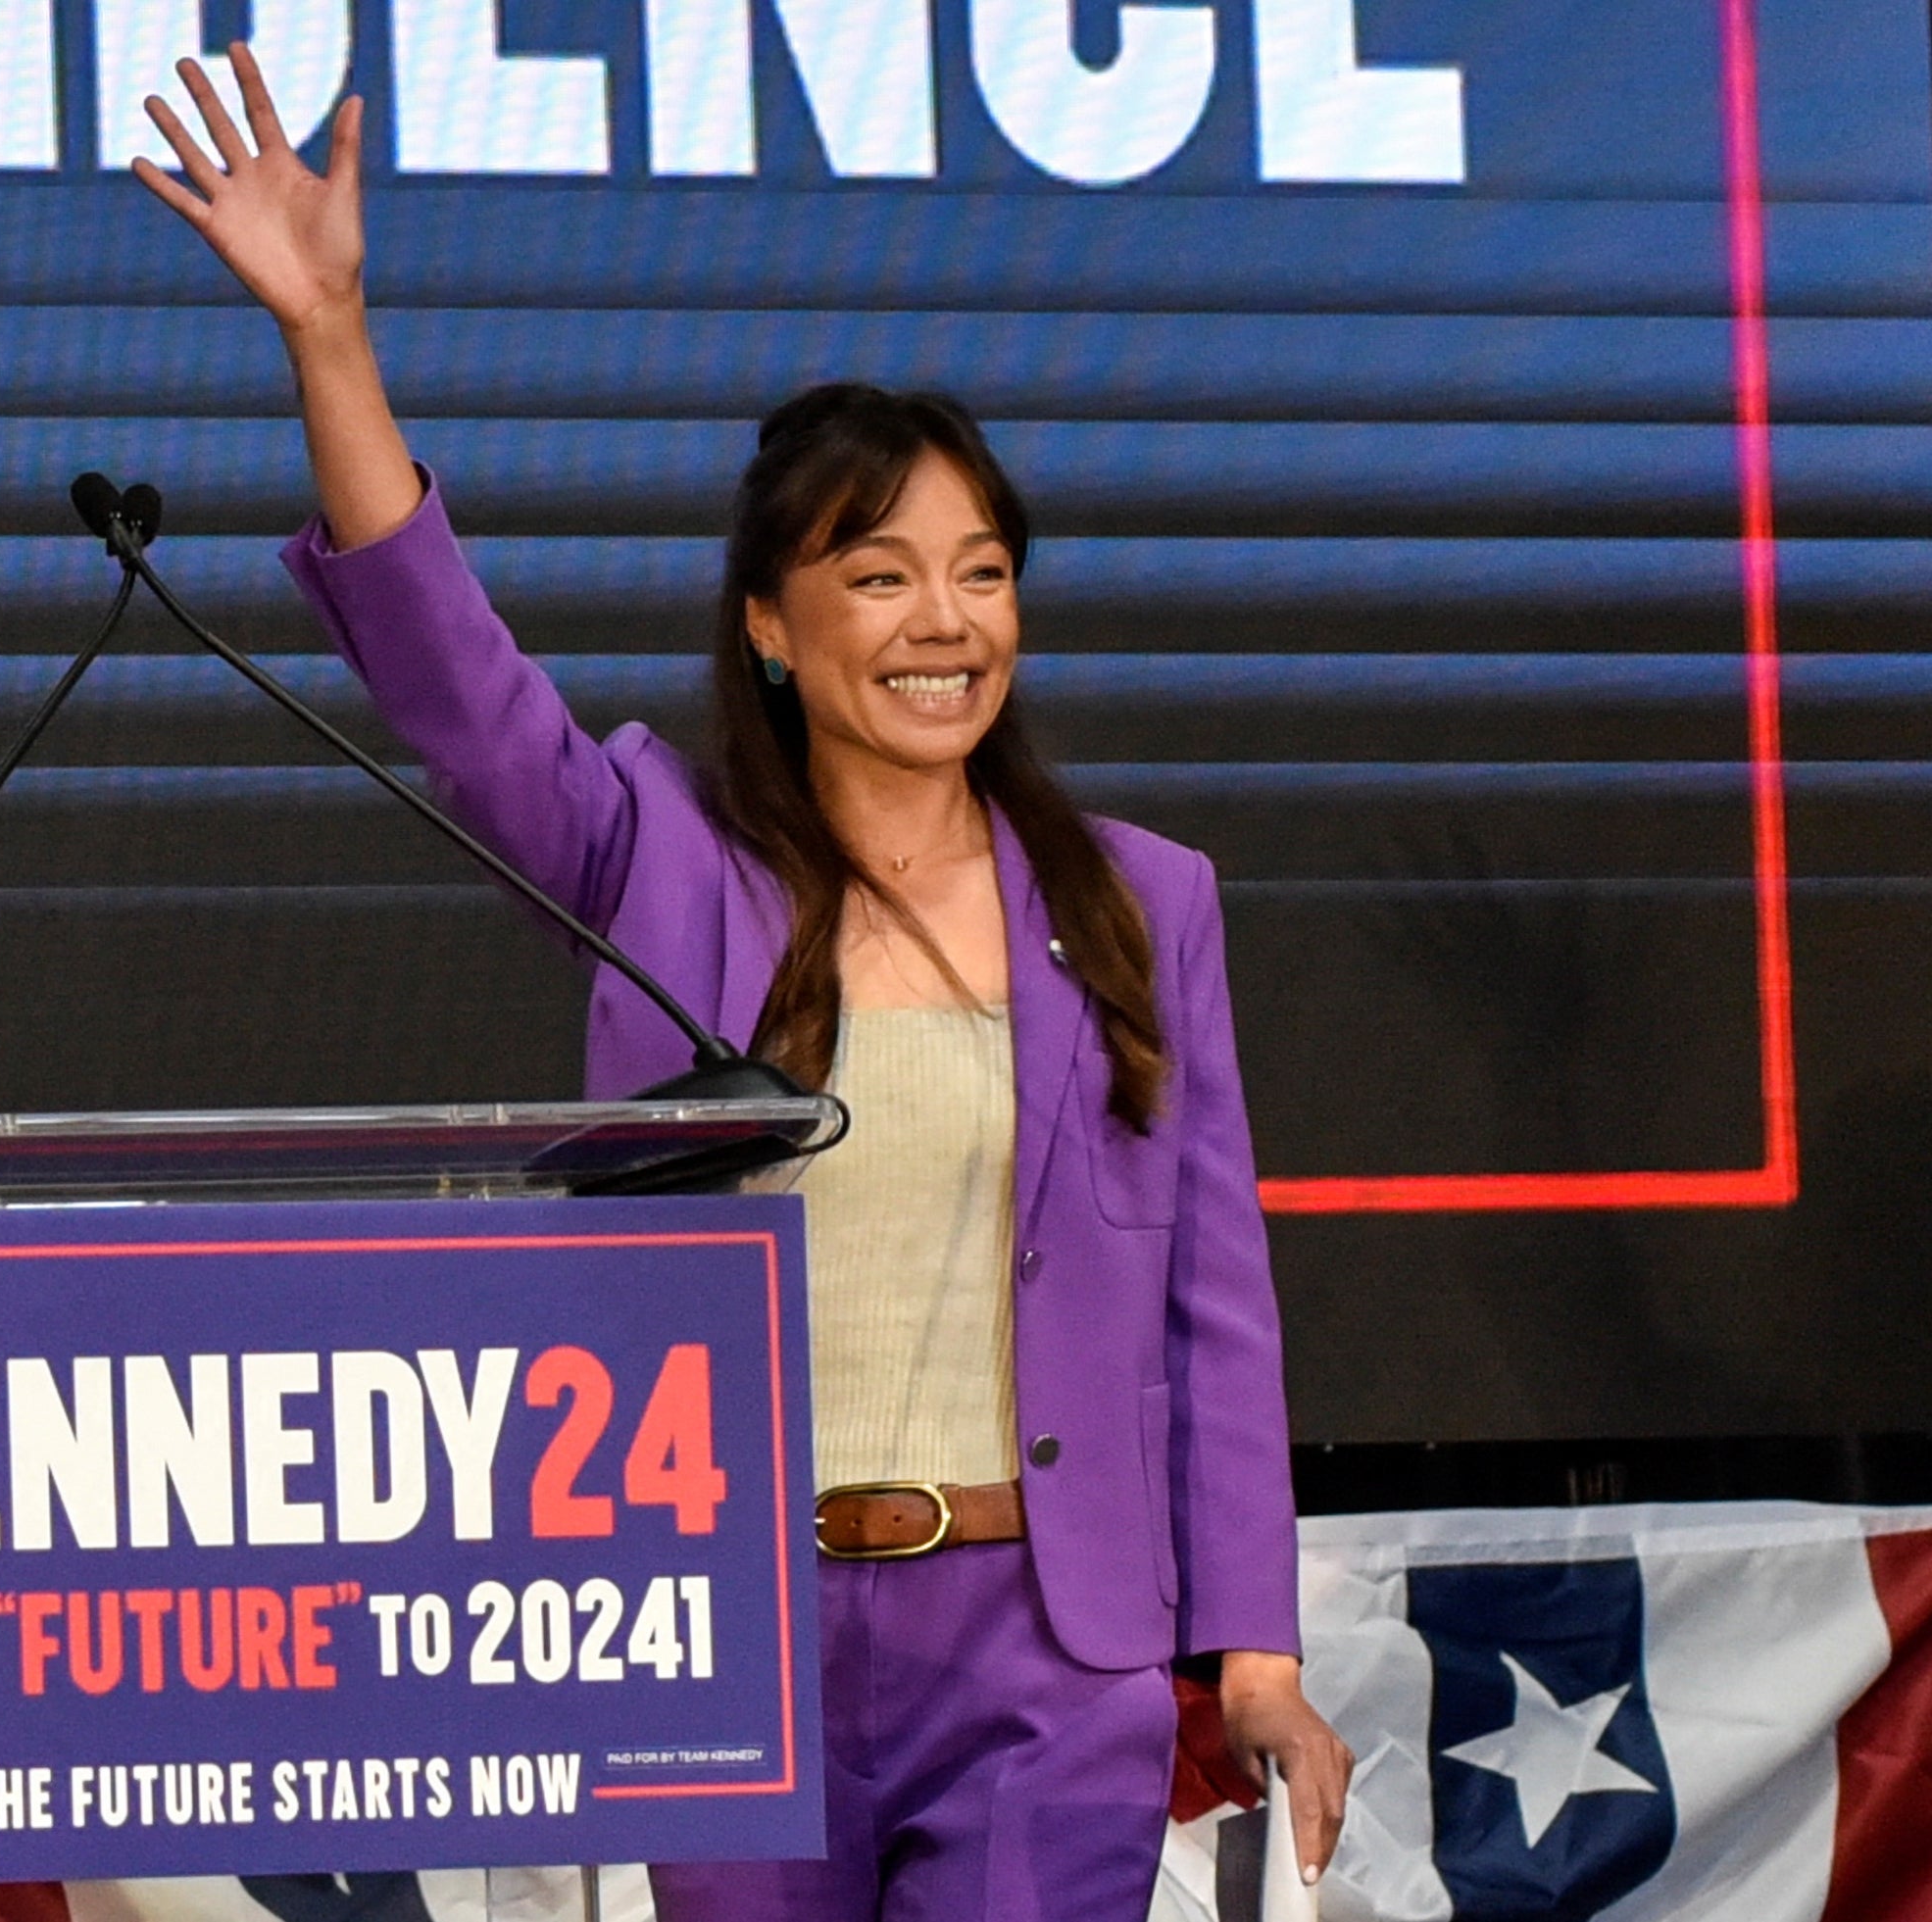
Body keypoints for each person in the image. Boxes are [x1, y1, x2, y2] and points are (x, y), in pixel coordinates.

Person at [129, 47, 1355, 1920]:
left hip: (1048, 1644)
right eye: (879, 575)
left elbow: (1217, 1301)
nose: (945, 622)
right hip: (730, 1632)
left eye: (984, 573)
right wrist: (332, 335)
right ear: (775, 627)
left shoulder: (1139, 900)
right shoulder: (658, 857)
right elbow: (456, 685)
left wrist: (1251, 1644)